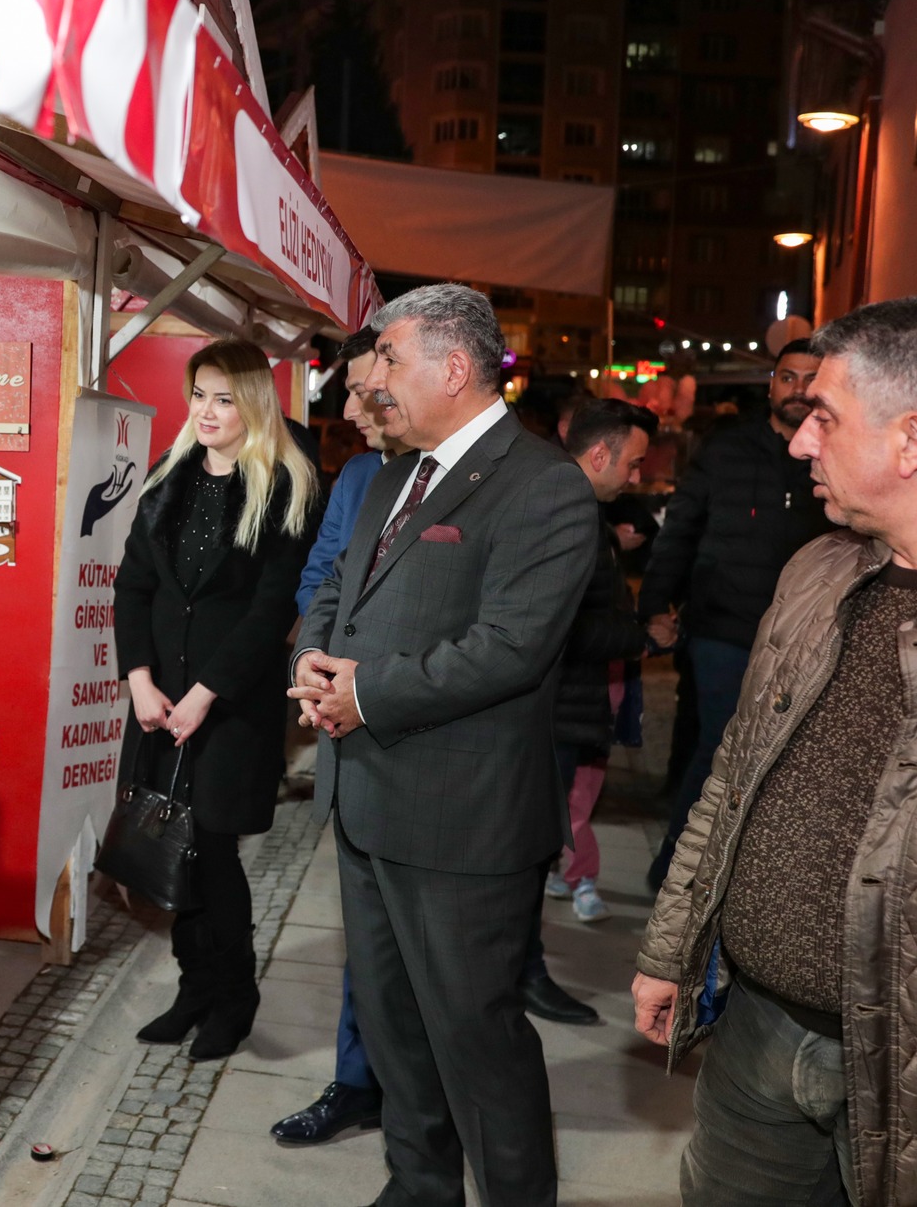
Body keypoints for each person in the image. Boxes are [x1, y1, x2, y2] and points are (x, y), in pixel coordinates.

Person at [634, 295, 917, 1207]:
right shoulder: (818, 570)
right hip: (754, 1037)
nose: (798, 443)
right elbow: (734, 773)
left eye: (823, 417)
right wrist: (671, 946)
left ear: (913, 441)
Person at [292, 284, 597, 1207]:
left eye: (388, 359)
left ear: (454, 368)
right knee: (391, 1026)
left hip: (463, 825)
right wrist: (311, 655)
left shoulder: (544, 484)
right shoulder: (390, 474)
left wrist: (366, 693)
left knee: (476, 1037)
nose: (372, 380)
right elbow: (338, 584)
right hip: (367, 802)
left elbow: (510, 647)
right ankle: (417, 1186)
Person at [113, 339, 318, 1062]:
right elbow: (133, 585)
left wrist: (204, 693)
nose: (206, 409)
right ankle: (193, 987)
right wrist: (139, 677)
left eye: (224, 397)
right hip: (158, 700)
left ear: (254, 402)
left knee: (215, 856)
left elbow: (271, 613)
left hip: (230, 706)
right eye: (199, 393)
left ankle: (234, 997)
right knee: (173, 846)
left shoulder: (286, 486)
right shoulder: (169, 476)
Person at [270, 328, 405, 1145]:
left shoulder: (489, 482)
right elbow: (318, 573)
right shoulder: (357, 475)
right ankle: (358, 1082)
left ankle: (426, 1103)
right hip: (350, 744)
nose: (348, 411)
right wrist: (312, 657)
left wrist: (375, 683)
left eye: (363, 393)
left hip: (433, 746)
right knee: (365, 934)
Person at [640, 340, 829, 889]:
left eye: (809, 379)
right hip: (724, 626)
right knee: (721, 747)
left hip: (803, 635)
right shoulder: (726, 449)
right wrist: (656, 604)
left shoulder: (835, 452)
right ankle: (676, 870)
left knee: (782, 758)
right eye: (787, 378)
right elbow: (681, 530)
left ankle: (744, 878)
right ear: (771, 384)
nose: (797, 390)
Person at [547, 399, 657, 923]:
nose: (636, 477)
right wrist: (639, 635)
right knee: (545, 823)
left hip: (571, 702)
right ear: (598, 455)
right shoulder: (566, 513)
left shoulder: (585, 511)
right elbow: (565, 624)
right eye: (633, 463)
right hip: (558, 705)